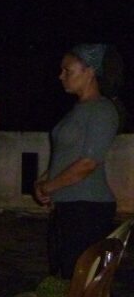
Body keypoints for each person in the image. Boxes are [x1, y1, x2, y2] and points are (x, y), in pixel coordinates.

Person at [34, 44, 123, 278]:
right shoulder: (77, 110)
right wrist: (42, 182)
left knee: (79, 278)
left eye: (68, 70)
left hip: (88, 207)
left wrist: (49, 186)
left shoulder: (102, 110)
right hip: (68, 206)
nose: (61, 76)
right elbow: (65, 156)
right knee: (63, 274)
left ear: (89, 71)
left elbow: (88, 163)